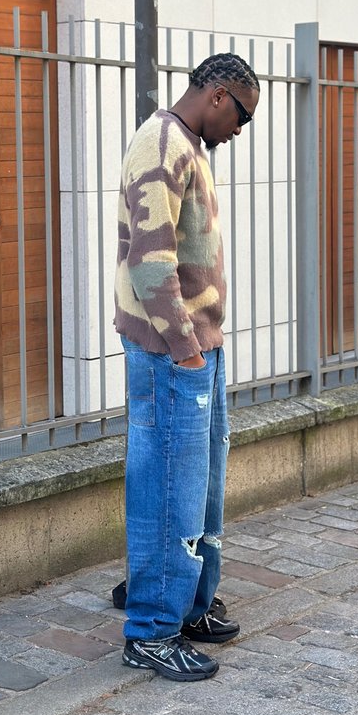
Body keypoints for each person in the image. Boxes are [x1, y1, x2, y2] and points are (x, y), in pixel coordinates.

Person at [114, 53, 260, 682]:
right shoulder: (162, 144)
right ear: (219, 95)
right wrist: (188, 351)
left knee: (200, 490)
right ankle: (151, 630)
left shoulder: (188, 144)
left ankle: (191, 604)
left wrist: (204, 348)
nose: (240, 130)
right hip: (171, 354)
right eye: (244, 117)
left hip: (197, 349)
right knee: (168, 493)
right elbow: (151, 265)